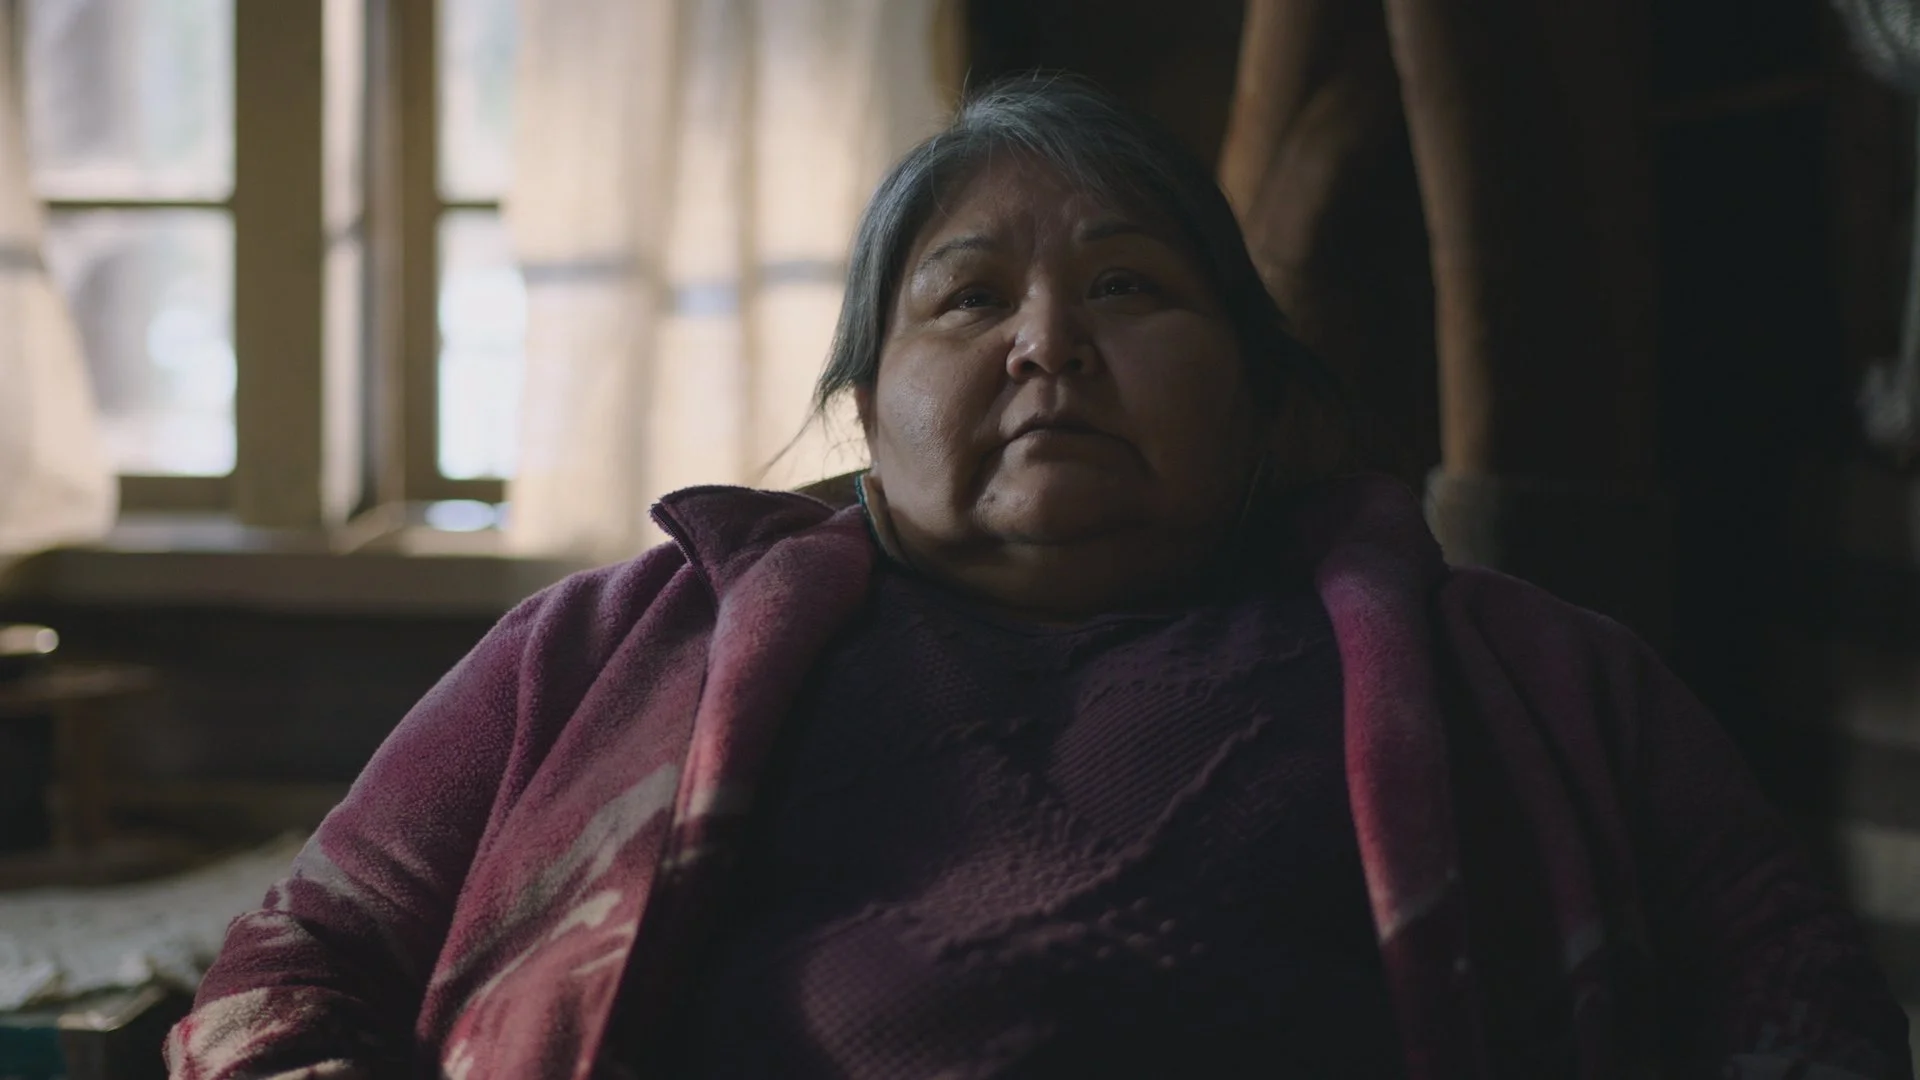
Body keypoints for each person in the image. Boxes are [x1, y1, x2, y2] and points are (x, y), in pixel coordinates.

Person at [167, 77, 1911, 1080]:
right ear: (867, 407)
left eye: (1131, 288)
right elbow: (291, 964)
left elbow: (1799, 999)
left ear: (1260, 396)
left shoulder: (1533, 673)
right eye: (968, 295)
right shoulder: (615, 648)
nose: (1047, 345)